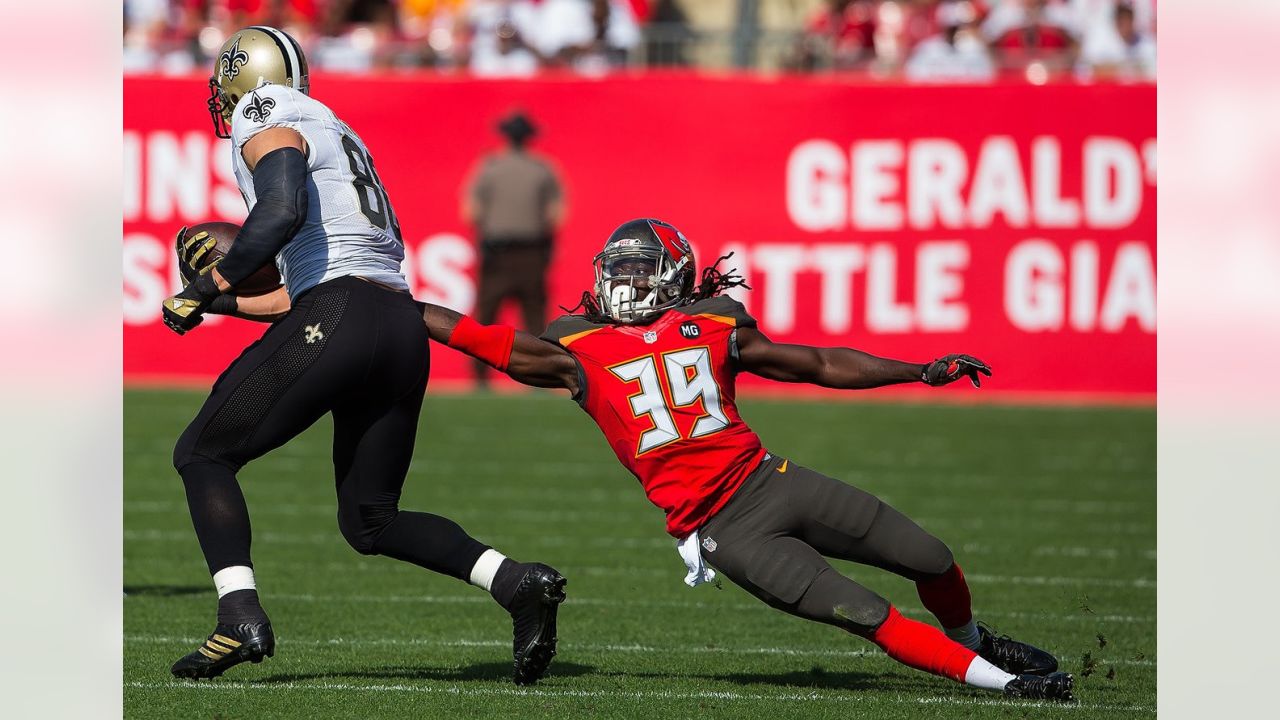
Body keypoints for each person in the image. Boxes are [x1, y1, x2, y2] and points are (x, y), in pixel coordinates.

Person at [422, 218, 1077, 702]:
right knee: (869, 613)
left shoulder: (712, 323)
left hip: (772, 480)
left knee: (931, 557)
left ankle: (968, 642)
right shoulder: (576, 348)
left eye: (640, 270)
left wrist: (918, 370)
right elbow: (483, 339)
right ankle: (1008, 685)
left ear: (673, 275)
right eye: (618, 271)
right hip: (725, 530)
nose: (626, 283)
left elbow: (816, 363)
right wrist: (401, 305)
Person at [159, 25, 566, 684]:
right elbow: (304, 287)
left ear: (246, 78)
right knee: (370, 519)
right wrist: (222, 303)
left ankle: (238, 613)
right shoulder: (336, 129)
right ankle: (517, 582)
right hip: (396, 328)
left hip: (342, 314)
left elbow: (283, 209)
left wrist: (215, 280)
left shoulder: (267, 110)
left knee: (203, 453)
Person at [461, 111, 564, 388]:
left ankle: (480, 380)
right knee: (535, 321)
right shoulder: (543, 169)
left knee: (486, 320)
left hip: (498, 253)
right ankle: (541, 379)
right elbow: (556, 214)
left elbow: (470, 212)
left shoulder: (490, 168)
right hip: (531, 253)